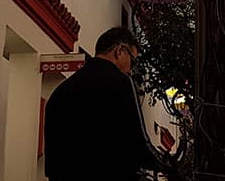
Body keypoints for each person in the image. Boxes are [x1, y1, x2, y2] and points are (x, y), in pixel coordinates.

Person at [44, 27, 166, 181]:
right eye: (132, 61)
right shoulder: (120, 82)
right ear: (119, 51)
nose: (131, 69)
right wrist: (165, 165)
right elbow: (138, 142)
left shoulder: (61, 91)